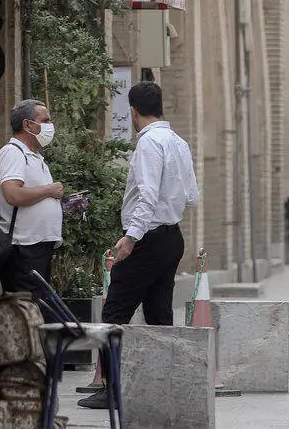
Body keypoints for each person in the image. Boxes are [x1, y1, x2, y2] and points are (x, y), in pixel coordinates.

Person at [78, 81, 199, 410]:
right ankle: (162, 387)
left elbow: (147, 196)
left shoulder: (148, 143)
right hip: (171, 237)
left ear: (132, 111)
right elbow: (192, 196)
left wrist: (131, 237)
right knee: (159, 314)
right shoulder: (178, 142)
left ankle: (112, 389)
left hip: (147, 238)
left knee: (115, 311)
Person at [0, 99, 65, 302]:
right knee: (26, 308)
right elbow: (13, 194)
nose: (50, 125)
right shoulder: (12, 153)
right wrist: (49, 190)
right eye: (45, 120)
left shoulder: (32, 155)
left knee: (37, 307)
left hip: (37, 246)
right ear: (27, 125)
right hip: (22, 247)